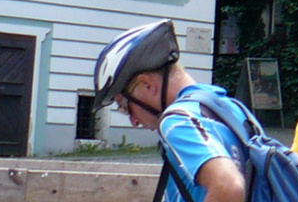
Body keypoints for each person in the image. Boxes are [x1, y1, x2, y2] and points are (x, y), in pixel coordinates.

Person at [92, 20, 248, 202]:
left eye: (126, 107)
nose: (133, 121)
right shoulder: (228, 107)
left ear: (147, 85)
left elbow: (228, 186)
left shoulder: (177, 121)